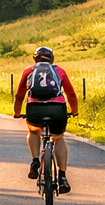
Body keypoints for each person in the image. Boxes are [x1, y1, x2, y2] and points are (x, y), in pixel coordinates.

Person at [13, 46, 78, 193]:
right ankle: (62, 177)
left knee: (33, 131)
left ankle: (35, 161)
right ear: (52, 58)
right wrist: (74, 111)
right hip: (57, 109)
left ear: (35, 59)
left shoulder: (29, 71)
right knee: (58, 138)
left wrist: (17, 113)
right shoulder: (59, 71)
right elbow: (71, 94)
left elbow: (19, 95)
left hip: (34, 109)